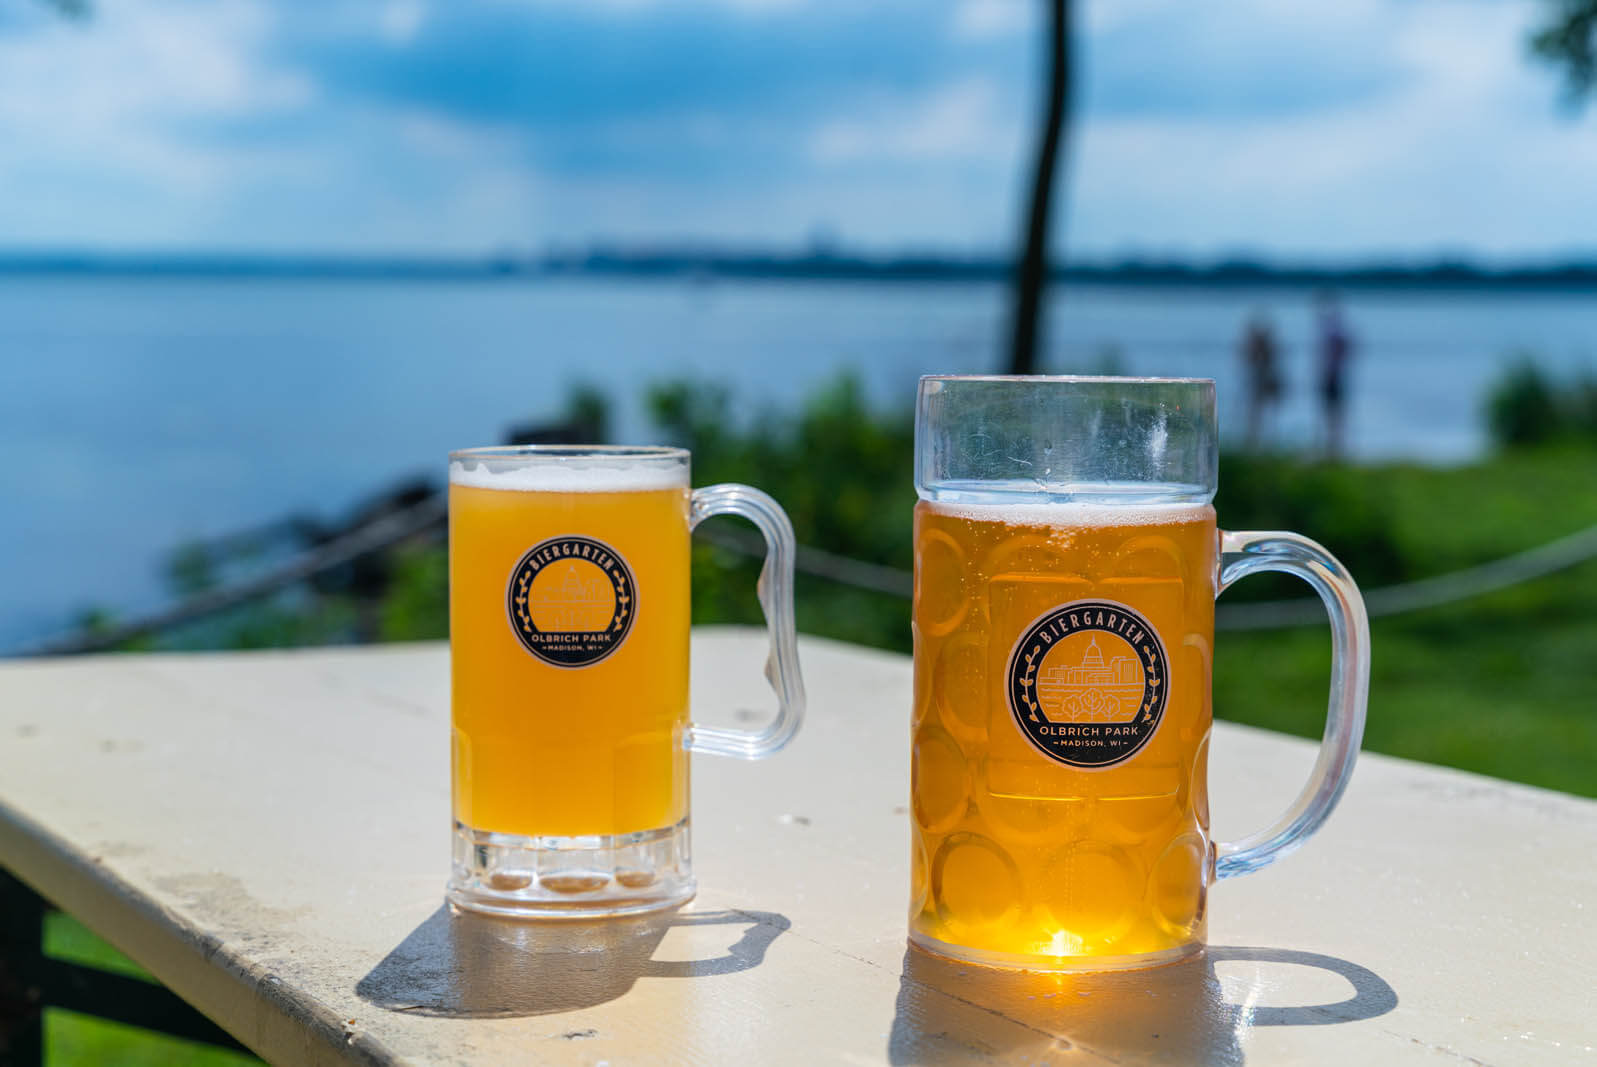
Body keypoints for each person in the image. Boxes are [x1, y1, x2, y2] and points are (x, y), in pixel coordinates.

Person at [1315, 292, 1354, 459]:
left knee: (1332, 414)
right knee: (1334, 414)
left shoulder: (1332, 332)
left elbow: (1335, 354)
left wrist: (1330, 371)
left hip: (1332, 377)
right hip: (1335, 376)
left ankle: (1333, 450)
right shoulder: (1338, 330)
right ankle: (1334, 449)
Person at [1239, 312, 1282, 451]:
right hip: (1260, 382)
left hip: (1261, 382)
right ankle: (1258, 442)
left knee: (1257, 413)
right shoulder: (1266, 347)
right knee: (1257, 413)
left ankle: (1257, 443)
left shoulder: (1262, 347)